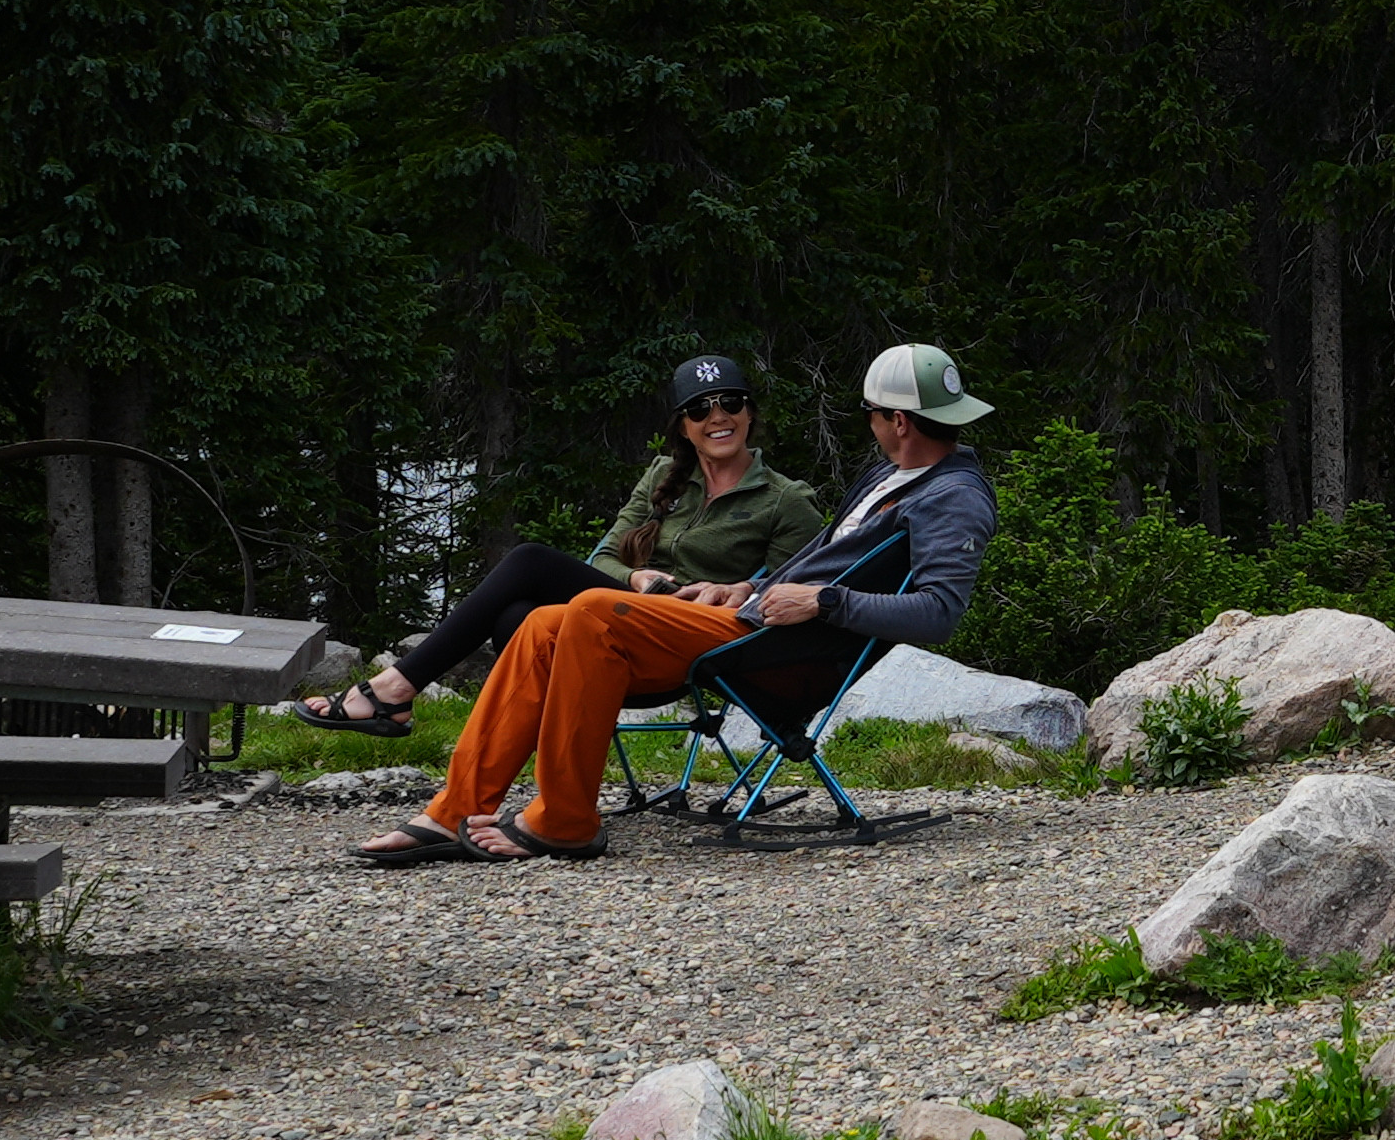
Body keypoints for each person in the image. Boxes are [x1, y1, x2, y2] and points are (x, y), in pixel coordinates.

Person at [367, 343, 998, 864]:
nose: (873, 424)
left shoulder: (954, 496)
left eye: (871, 413)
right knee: (543, 623)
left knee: (589, 610)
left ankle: (563, 821)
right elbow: (820, 561)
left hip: (788, 651)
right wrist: (746, 587)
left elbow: (939, 612)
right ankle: (454, 810)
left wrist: (825, 602)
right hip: (748, 618)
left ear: (898, 421)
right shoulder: (890, 475)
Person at [287, 356, 824, 738]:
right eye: (700, 408)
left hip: (685, 643)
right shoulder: (665, 475)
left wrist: (739, 587)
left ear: (750, 413)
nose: (718, 417)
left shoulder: (784, 499)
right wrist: (636, 578)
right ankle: (544, 774)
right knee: (515, 617)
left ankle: (396, 691)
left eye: (730, 402)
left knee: (531, 561)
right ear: (684, 427)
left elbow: (799, 588)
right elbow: (606, 559)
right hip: (621, 617)